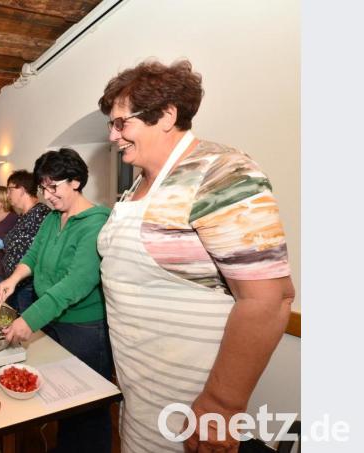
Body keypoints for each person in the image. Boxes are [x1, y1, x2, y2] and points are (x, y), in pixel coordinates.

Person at [97, 59, 295, 452]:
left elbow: (268, 300)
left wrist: (220, 405)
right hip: (141, 394)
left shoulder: (220, 171)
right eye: (111, 124)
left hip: (191, 403)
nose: (113, 136)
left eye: (122, 123)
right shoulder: (138, 185)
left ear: (167, 115)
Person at [0, 148, 112, 452]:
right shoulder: (51, 217)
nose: (47, 195)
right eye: (43, 188)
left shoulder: (95, 222)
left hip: (84, 328)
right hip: (55, 319)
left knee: (87, 409)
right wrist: (13, 279)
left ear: (75, 181)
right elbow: (33, 255)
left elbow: (76, 283)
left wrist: (29, 319)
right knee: (63, 398)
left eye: (53, 186)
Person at [1, 170, 51, 313]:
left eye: (9, 190)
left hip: (28, 287)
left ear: (22, 189)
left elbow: (37, 253)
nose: (8, 194)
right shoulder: (24, 215)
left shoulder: (40, 213)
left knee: (27, 330)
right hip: (15, 283)